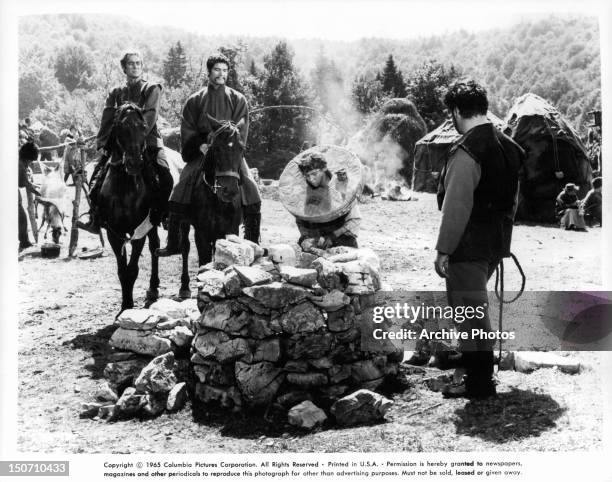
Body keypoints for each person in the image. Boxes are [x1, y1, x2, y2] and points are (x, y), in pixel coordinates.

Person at [434, 79, 524, 399]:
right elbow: (512, 204)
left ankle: (479, 383)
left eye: (452, 113)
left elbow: (457, 205)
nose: (452, 120)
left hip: (467, 246)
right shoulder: (510, 147)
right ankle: (472, 366)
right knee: (473, 311)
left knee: (470, 313)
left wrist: (444, 250)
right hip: (493, 245)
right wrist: (500, 242)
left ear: (457, 110)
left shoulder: (467, 149)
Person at [156, 53, 262, 256]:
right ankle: (174, 242)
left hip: (229, 153)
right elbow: (187, 128)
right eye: (217, 70)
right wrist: (199, 145)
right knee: (180, 188)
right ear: (209, 71)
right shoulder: (195, 100)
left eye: (224, 70)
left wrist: (231, 145)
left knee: (252, 189)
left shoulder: (238, 99)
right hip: (203, 152)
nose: (221, 74)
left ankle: (252, 240)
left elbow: (242, 128)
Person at [78, 50, 173, 234]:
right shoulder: (115, 92)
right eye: (131, 63)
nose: (135, 66)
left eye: (138, 63)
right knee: (95, 178)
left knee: (165, 176)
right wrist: (103, 143)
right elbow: (107, 117)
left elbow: (150, 115)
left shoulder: (152, 88)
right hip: (120, 144)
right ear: (124, 67)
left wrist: (136, 139)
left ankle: (163, 215)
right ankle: (95, 218)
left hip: (149, 141)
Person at [294, 152, 361, 252]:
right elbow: (300, 218)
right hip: (316, 243)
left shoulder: (340, 188)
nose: (311, 179)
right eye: (307, 176)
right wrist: (304, 237)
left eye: (314, 174)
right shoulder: (306, 191)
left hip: (342, 241)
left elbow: (354, 220)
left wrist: (333, 236)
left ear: (324, 169)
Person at [18, 142, 41, 251]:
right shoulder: (20, 165)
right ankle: (24, 241)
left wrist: (38, 186)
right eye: (30, 161)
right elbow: (25, 184)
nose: (30, 163)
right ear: (27, 157)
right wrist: (41, 194)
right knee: (21, 217)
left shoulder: (19, 161)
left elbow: (25, 183)